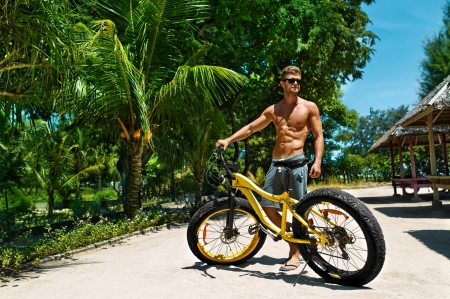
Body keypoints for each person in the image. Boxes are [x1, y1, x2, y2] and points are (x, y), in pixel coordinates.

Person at [216, 65, 324, 271]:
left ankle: (294, 254)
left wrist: (317, 161)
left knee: (296, 210)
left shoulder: (309, 107)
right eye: (291, 80)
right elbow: (250, 128)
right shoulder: (273, 110)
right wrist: (228, 140)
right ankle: (301, 241)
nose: (295, 84)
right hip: (276, 163)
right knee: (267, 209)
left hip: (297, 162)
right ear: (282, 83)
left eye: (298, 81)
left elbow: (318, 136)